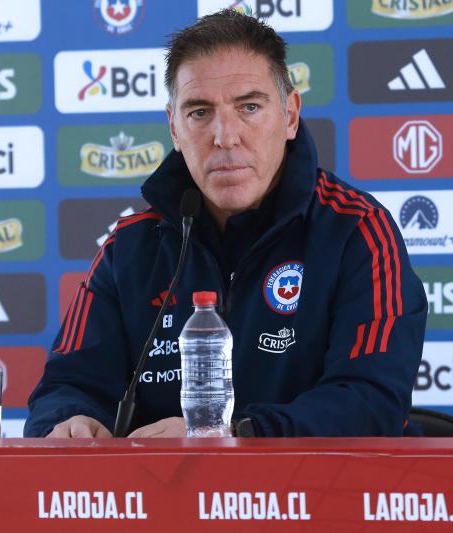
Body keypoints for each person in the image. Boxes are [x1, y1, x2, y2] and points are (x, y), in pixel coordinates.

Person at [24, 9, 427, 439]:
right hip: (167, 503)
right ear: (174, 128)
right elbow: (65, 386)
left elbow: (372, 400)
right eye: (199, 112)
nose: (225, 136)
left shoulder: (357, 230)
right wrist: (67, 422)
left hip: (322, 499)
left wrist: (234, 436)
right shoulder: (130, 246)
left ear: (290, 116)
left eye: (249, 107)